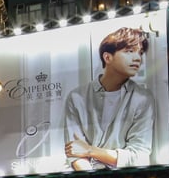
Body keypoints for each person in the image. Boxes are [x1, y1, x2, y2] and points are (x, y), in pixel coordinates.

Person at [63, 27, 155, 170]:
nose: (138, 58)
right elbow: (74, 153)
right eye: (129, 51)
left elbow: (139, 157)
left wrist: (89, 150)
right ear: (107, 57)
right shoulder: (77, 97)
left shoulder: (142, 98)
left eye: (140, 52)